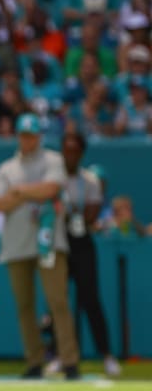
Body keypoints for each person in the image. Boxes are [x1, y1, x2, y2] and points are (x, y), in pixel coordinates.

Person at [0, 113, 80, 380]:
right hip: (17, 244)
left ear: (39, 136)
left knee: (58, 301)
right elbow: (0, 204)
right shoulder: (6, 168)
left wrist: (18, 192)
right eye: (23, 135)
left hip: (50, 242)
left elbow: (52, 189)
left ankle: (69, 361)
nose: (28, 140)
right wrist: (32, 192)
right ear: (19, 136)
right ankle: (34, 361)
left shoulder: (53, 160)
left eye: (32, 135)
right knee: (24, 306)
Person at [46, 133, 121, 377]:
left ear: (81, 153)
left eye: (75, 150)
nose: (70, 155)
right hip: (58, 241)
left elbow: (90, 215)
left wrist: (70, 211)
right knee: (59, 301)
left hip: (82, 243)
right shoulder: (52, 178)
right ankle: (61, 353)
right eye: (66, 150)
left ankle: (107, 355)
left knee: (90, 299)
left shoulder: (90, 181)